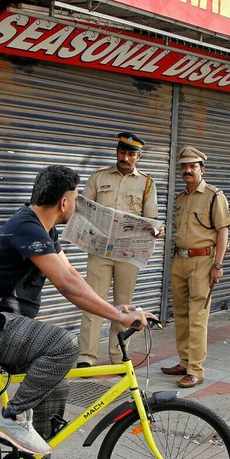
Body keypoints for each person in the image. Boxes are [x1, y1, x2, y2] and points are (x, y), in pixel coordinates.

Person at [0, 165, 152, 459]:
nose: (76, 204)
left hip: (4, 324)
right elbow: (67, 284)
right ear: (64, 201)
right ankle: (11, 419)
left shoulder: (43, 231)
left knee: (56, 384)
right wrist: (116, 316)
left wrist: (119, 309)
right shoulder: (26, 227)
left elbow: (73, 275)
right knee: (64, 345)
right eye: (75, 198)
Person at [77, 132, 162, 368]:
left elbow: (151, 219)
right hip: (100, 251)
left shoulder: (147, 183)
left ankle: (117, 357)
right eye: (122, 152)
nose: (126, 158)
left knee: (123, 304)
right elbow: (83, 208)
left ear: (139, 157)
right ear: (116, 152)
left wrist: (156, 229)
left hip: (128, 255)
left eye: (131, 154)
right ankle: (87, 358)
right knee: (93, 302)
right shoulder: (98, 177)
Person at [161, 146, 230, 388]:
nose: (187, 170)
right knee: (180, 314)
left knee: (198, 317)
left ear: (202, 169)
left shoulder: (214, 196)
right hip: (180, 260)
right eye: (184, 166)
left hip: (203, 261)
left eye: (193, 166)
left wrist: (218, 265)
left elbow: (223, 232)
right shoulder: (180, 198)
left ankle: (196, 370)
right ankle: (184, 361)